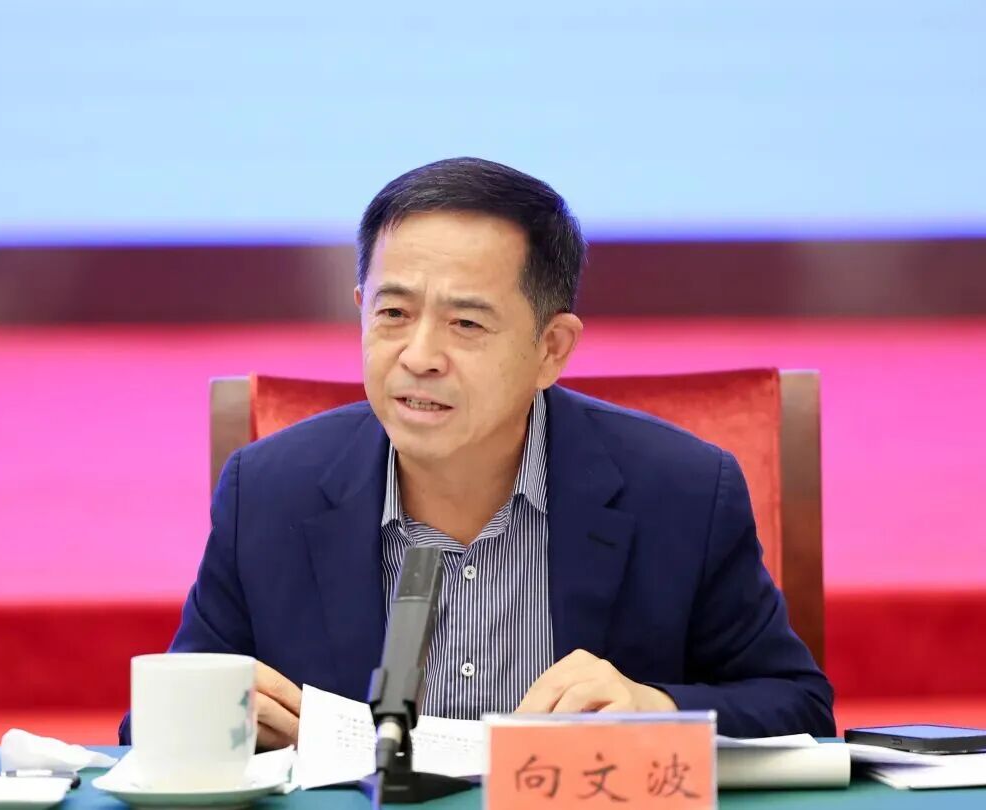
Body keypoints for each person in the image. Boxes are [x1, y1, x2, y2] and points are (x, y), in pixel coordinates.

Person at [118, 157, 834, 747]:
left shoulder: (679, 491)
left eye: (465, 323)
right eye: (393, 313)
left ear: (551, 348)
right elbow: (147, 728)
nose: (419, 356)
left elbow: (798, 707)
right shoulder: (269, 492)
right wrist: (216, 716)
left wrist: (653, 708)